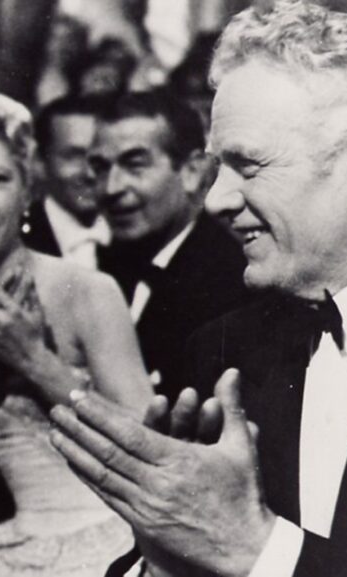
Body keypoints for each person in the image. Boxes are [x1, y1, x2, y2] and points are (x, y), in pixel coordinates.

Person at [51, 2, 347, 576]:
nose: (216, 200)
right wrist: (167, 562)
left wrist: (252, 549)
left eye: (247, 165)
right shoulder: (225, 350)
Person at [0, 91, 150, 576]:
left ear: (26, 192)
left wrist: (34, 359)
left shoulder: (87, 290)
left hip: (115, 537)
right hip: (20, 545)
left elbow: (145, 438)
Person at [89, 90, 249, 401]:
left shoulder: (227, 283)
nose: (111, 187)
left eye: (135, 165)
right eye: (100, 167)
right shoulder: (109, 263)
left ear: (192, 172)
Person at [23, 95, 112, 270]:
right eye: (73, 157)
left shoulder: (136, 237)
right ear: (39, 162)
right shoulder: (16, 240)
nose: (90, 173)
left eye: (98, 158)